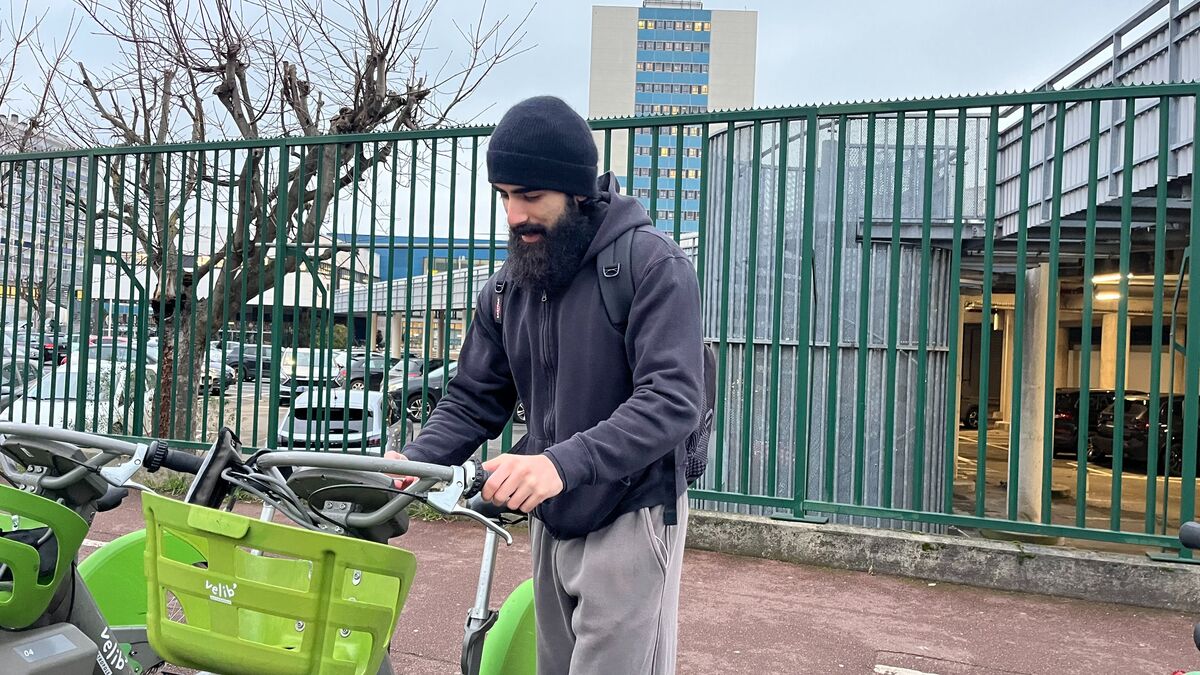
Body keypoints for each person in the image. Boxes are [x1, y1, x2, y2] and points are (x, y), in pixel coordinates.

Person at [386, 95, 704, 674]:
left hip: (632, 508)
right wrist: (417, 460)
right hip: (551, 511)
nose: (514, 216)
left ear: (577, 191)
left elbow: (673, 398)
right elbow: (473, 398)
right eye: (505, 196)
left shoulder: (652, 266)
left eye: (530, 196)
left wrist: (559, 462)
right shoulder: (510, 287)